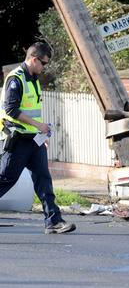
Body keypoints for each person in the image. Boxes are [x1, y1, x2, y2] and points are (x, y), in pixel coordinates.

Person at [0, 42, 76, 234]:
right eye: (43, 63)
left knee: (43, 179)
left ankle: (53, 221)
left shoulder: (33, 78)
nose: (45, 67)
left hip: (34, 140)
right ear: (34, 59)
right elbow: (11, 109)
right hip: (17, 139)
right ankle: (53, 220)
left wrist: (41, 132)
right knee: (6, 179)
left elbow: (33, 112)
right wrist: (38, 126)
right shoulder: (16, 79)